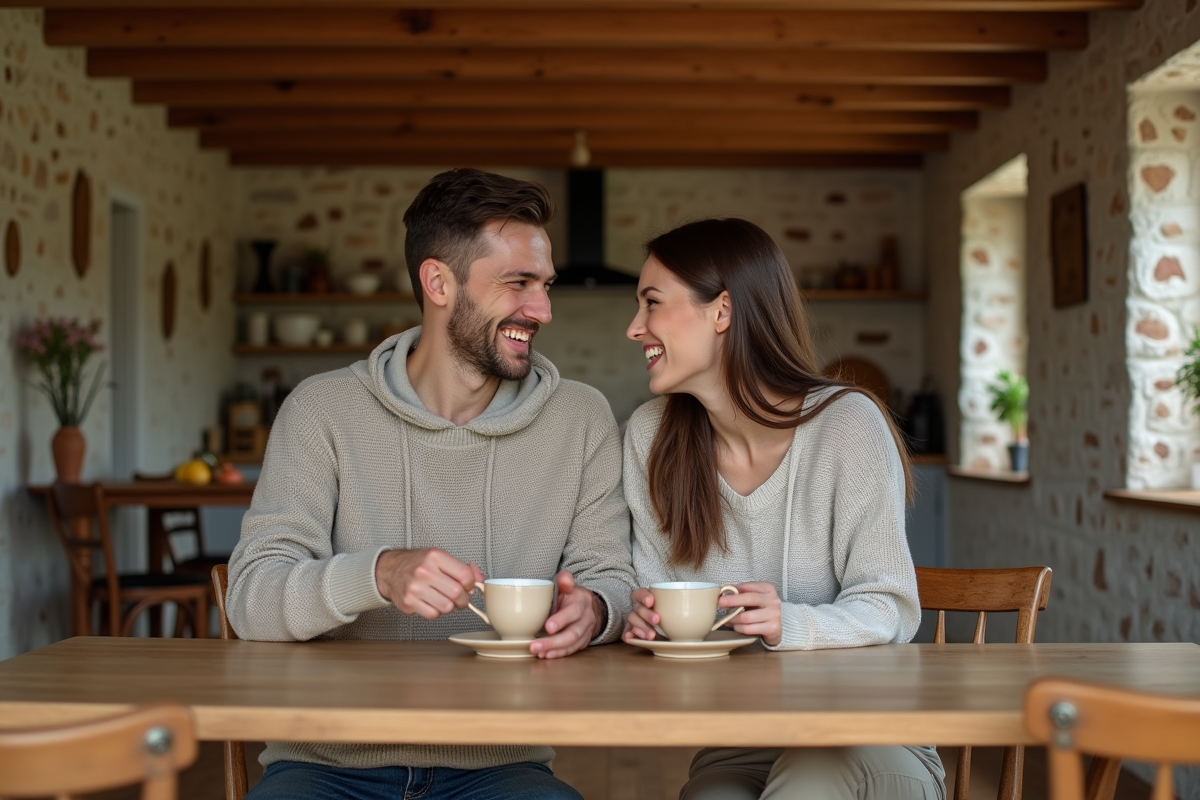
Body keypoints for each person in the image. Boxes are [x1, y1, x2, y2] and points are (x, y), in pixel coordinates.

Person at [227, 168, 636, 800]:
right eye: (518, 284)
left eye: (545, 285)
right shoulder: (322, 410)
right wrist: (378, 574)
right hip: (324, 763)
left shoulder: (579, 420)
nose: (543, 310)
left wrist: (597, 610)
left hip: (502, 766)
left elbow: (610, 574)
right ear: (438, 282)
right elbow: (252, 596)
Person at [621, 218, 945, 800]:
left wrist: (786, 622)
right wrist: (643, 618)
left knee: (807, 783)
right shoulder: (651, 437)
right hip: (741, 741)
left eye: (652, 303)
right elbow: (653, 589)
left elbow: (891, 606)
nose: (633, 328)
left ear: (722, 311)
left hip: (867, 733)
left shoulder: (847, 423)